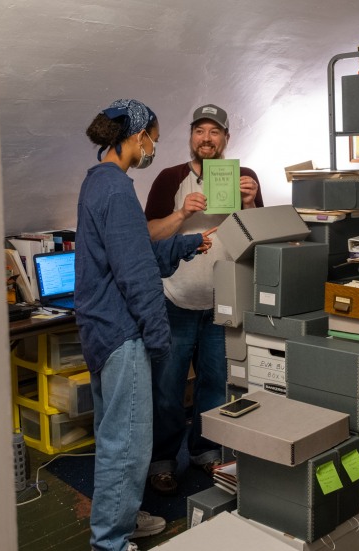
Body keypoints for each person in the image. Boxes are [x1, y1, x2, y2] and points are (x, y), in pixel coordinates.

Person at [77, 99, 215, 551]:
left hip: (102, 331)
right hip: (122, 334)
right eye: (152, 136)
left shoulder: (98, 182)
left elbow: (136, 252)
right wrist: (158, 339)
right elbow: (136, 275)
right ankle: (111, 541)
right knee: (129, 443)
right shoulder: (117, 189)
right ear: (136, 137)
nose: (153, 145)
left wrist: (190, 243)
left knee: (114, 434)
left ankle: (121, 517)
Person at [143, 104, 263, 495]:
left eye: (215, 131)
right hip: (174, 301)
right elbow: (148, 236)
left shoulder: (245, 178)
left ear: (227, 138)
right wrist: (181, 214)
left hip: (223, 303)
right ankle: (162, 460)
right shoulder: (170, 178)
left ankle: (205, 451)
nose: (206, 138)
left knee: (215, 384)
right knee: (167, 388)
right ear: (191, 136)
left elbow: (259, 242)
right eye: (199, 131)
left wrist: (249, 205)